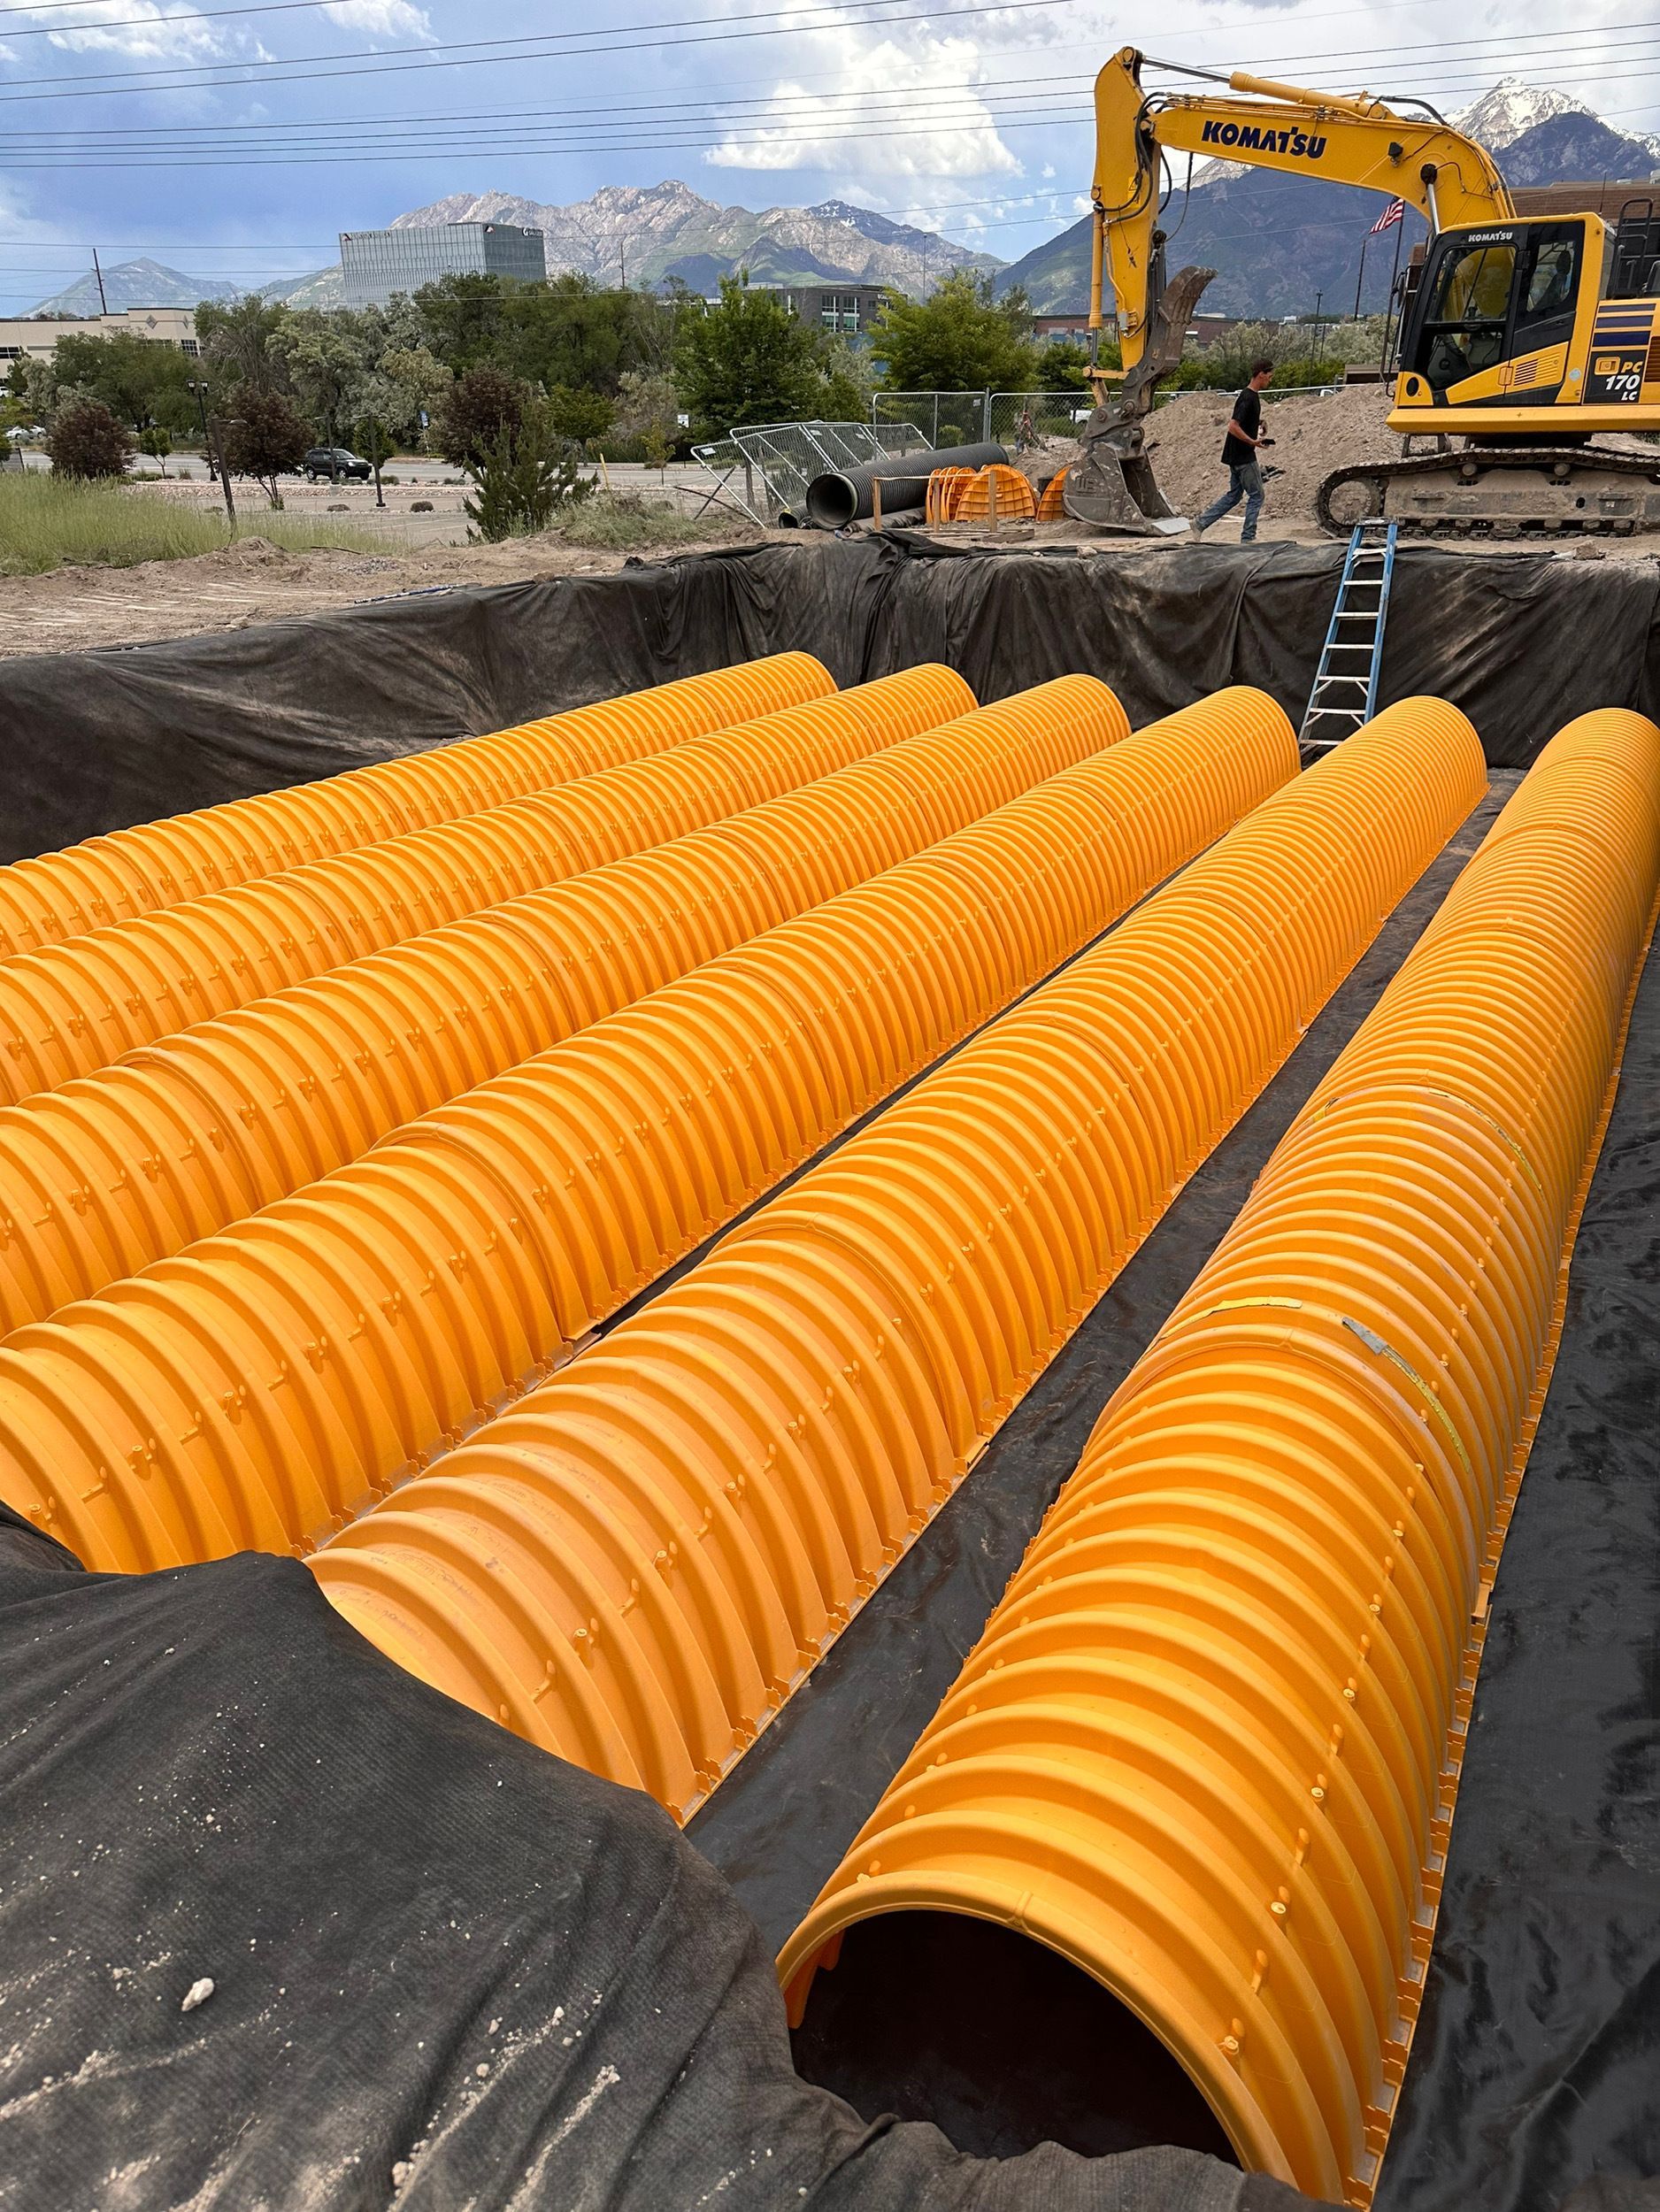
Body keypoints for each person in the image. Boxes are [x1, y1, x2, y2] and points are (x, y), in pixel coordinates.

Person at [1193, 357, 1274, 541]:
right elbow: (1233, 426)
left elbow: (1241, 422)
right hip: (1244, 456)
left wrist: (1258, 425)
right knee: (1257, 495)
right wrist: (1252, 442)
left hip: (1235, 455)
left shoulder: (1249, 397)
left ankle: (1200, 523)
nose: (1271, 379)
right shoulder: (1248, 397)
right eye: (1269, 375)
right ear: (1261, 374)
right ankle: (1248, 538)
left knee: (1234, 495)